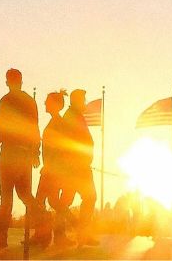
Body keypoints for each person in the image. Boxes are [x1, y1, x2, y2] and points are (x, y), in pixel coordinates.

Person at [0, 69, 40, 248]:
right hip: (24, 155)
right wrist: (35, 152)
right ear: (21, 81)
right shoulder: (30, 102)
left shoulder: (6, 100)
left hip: (10, 153)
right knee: (26, 195)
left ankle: (1, 236)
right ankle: (45, 226)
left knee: (6, 196)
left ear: (7, 82)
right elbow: (35, 129)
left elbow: (0, 127)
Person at [33, 91, 76, 246]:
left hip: (53, 170)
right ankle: (57, 235)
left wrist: (49, 167)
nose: (44, 103)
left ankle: (45, 235)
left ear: (56, 105)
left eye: (47, 101)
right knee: (50, 201)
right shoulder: (56, 123)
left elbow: (59, 149)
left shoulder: (59, 124)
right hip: (53, 169)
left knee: (41, 201)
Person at [63, 90, 97, 233]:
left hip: (79, 165)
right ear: (76, 101)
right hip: (76, 166)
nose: (85, 102)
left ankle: (76, 232)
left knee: (65, 201)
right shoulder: (71, 116)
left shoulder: (76, 116)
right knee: (89, 197)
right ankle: (79, 230)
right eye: (83, 100)